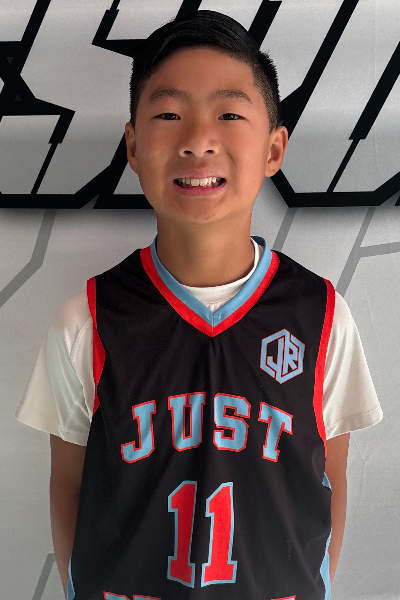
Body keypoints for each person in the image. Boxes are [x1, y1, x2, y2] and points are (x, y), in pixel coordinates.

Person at [15, 10, 383, 600]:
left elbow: (326, 480)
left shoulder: (322, 315)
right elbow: (70, 489)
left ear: (274, 148)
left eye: (229, 114)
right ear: (133, 147)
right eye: (168, 115)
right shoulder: (87, 319)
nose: (198, 140)